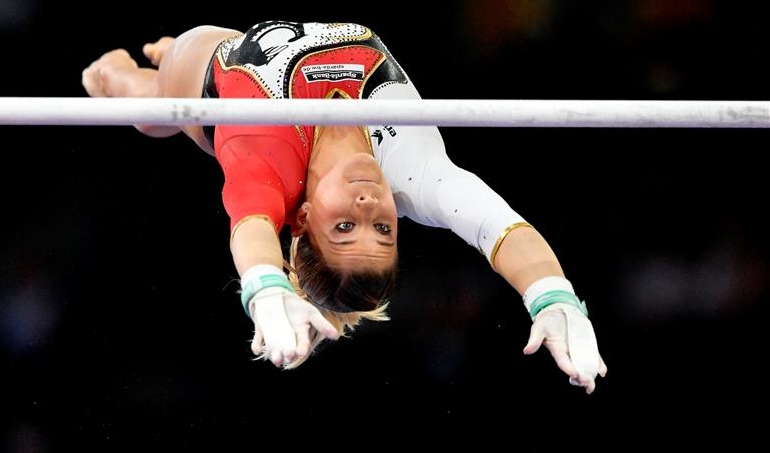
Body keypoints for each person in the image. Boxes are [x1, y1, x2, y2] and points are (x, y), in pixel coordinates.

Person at [82, 21, 607, 393]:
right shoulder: (415, 172)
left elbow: (251, 224)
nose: (369, 204)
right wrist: (550, 296)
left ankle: (116, 79)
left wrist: (265, 286)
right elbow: (502, 230)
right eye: (383, 227)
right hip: (266, 45)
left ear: (305, 217)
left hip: (203, 67)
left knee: (151, 106)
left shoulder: (266, 158)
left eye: (344, 226)